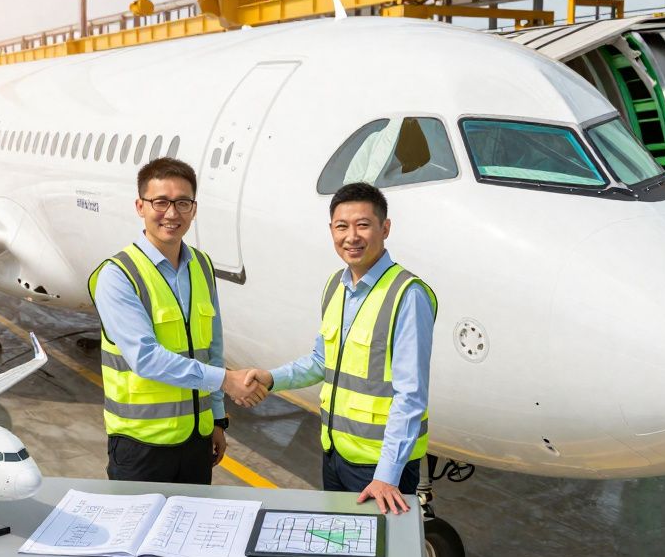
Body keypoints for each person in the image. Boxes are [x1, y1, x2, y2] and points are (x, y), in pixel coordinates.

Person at [244, 182, 435, 514]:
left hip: (381, 469)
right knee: (341, 550)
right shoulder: (336, 286)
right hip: (335, 456)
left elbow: (411, 395)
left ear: (385, 228)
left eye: (363, 225)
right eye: (342, 226)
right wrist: (271, 378)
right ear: (331, 230)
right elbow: (322, 360)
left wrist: (387, 476)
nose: (352, 236)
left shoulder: (407, 295)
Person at [88, 157, 266, 485]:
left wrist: (216, 419)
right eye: (160, 202)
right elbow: (146, 360)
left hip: (196, 441)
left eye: (183, 203)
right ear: (140, 206)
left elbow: (211, 347)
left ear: (194, 209)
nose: (172, 214)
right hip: (140, 446)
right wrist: (226, 381)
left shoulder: (201, 265)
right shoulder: (118, 275)